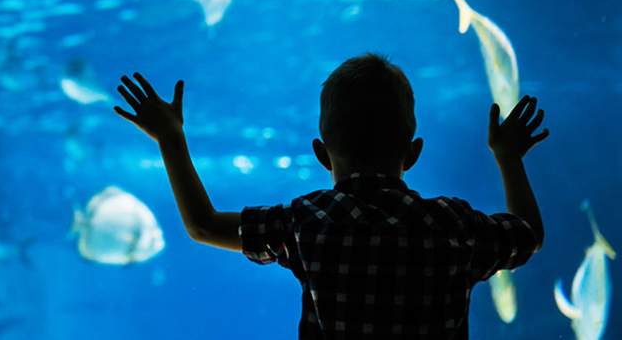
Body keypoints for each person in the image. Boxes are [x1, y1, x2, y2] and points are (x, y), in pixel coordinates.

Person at [113, 53, 548, 339]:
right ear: (413, 153)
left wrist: (170, 137)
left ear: (322, 154)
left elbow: (202, 224)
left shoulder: (308, 223)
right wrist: (509, 157)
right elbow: (527, 235)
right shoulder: (454, 227)